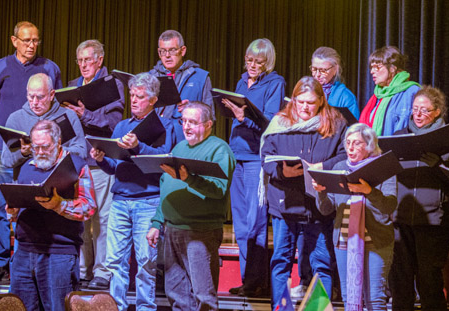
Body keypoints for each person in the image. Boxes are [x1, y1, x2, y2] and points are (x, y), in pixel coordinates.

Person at [89, 72, 180, 311]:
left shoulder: (165, 126)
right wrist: (100, 159)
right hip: (120, 200)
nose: (134, 100)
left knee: (145, 263)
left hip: (148, 200)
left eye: (140, 96)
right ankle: (117, 306)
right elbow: (114, 167)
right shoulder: (122, 125)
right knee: (116, 261)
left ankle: (145, 308)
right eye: (132, 95)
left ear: (153, 99)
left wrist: (138, 146)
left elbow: (166, 161)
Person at [0, 21, 63, 282]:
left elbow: (57, 104)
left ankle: (25, 260)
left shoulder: (49, 68)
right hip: (6, 145)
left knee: (33, 203)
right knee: (3, 204)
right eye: (26, 40)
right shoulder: (1, 66)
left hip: (41, 150)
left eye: (35, 40)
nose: (31, 45)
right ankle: (0, 262)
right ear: (14, 40)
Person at [261, 76, 348, 309]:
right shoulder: (280, 122)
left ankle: (317, 309)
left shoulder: (336, 124)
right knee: (281, 261)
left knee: (321, 263)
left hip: (317, 205)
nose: (304, 108)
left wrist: (324, 167)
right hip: (285, 204)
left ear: (321, 100)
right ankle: (282, 308)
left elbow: (344, 156)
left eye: (310, 102)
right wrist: (281, 172)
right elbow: (266, 157)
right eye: (300, 102)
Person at [388, 86, 449, 311]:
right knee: (400, 280)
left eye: (424, 110)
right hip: (400, 218)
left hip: (434, 219)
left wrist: (439, 165)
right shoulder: (399, 136)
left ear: (437, 112)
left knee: (429, 280)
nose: (418, 114)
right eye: (415, 109)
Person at [146, 101, 234, 310]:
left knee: (203, 295)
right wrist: (157, 222)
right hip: (172, 229)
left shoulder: (219, 149)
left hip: (200, 232)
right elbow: (166, 185)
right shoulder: (179, 147)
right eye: (184, 121)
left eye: (192, 122)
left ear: (208, 124)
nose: (186, 127)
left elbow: (218, 189)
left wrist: (189, 179)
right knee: (176, 293)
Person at [7, 119, 97, 311]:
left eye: (45, 147)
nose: (39, 152)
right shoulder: (27, 167)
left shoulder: (76, 165)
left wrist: (60, 205)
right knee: (21, 307)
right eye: (35, 147)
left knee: (57, 307)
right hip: (25, 250)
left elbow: (88, 206)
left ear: (58, 143)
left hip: (59, 252)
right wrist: (13, 212)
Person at [221, 38, 285, 297]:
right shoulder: (240, 82)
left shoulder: (275, 83)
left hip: (256, 157)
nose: (253, 65)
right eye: (249, 60)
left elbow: (270, 124)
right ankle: (248, 279)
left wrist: (244, 118)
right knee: (240, 223)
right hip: (236, 156)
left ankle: (257, 281)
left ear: (267, 62)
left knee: (255, 220)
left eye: (259, 62)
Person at [312, 123, 397, 311]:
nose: (350, 148)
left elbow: (389, 206)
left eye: (356, 143)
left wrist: (369, 191)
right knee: (348, 297)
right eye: (348, 143)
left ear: (368, 146)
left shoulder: (382, 168)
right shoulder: (340, 167)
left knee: (374, 299)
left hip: (376, 241)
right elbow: (326, 209)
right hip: (344, 241)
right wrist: (320, 192)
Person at [63, 39, 125, 290]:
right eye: (80, 60)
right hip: (75, 162)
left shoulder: (112, 85)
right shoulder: (71, 87)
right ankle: (81, 270)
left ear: (100, 60)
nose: (83, 65)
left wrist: (85, 114)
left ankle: (102, 271)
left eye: (88, 60)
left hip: (100, 161)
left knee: (102, 220)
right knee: (80, 218)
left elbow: (114, 122)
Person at [149, 30, 214, 121]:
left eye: (172, 50)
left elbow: (210, 117)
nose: (167, 55)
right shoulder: (150, 77)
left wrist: (191, 110)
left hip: (184, 132)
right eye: (163, 51)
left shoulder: (200, 77)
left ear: (182, 51)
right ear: (159, 52)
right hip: (154, 131)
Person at [360, 46, 420, 136]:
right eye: (371, 67)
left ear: (392, 68)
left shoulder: (413, 91)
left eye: (377, 67)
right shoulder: (378, 94)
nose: (372, 71)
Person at [311, 46, 360, 119]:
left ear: (335, 69)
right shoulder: (305, 90)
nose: (317, 74)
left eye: (323, 70)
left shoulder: (346, 97)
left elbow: (353, 128)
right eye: (314, 69)